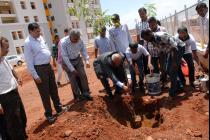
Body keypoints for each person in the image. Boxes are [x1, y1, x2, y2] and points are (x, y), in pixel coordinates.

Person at [24, 23, 65, 123]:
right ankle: (49, 114)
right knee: (45, 92)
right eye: (37, 31)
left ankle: (58, 107)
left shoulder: (41, 38)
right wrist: (35, 75)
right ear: (30, 31)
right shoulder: (28, 42)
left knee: (53, 88)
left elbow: (45, 50)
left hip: (48, 66)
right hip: (39, 69)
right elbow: (29, 61)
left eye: (39, 31)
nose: (39, 33)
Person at [141, 29, 185, 98]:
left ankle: (172, 92)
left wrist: (174, 62)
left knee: (172, 70)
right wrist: (162, 66)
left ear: (150, 34)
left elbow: (175, 47)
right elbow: (161, 52)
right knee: (167, 70)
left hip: (178, 48)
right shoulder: (152, 41)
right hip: (170, 50)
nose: (146, 40)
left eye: (146, 38)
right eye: (144, 39)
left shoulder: (161, 36)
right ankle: (179, 86)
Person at [0, 36, 27, 139]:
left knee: (22, 118)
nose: (8, 50)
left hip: (14, 93)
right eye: (6, 48)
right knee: (13, 124)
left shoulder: (4, 59)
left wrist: (18, 77)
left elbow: (12, 70)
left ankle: (22, 136)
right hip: (5, 97)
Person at [61, 29, 93, 101]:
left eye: (77, 39)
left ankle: (86, 92)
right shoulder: (64, 42)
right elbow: (65, 57)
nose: (76, 41)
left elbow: (83, 50)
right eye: (75, 39)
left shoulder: (80, 40)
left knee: (83, 75)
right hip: (67, 61)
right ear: (70, 36)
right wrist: (72, 69)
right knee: (73, 79)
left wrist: (87, 61)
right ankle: (78, 95)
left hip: (77, 58)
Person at [148, 17, 168, 88]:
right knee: (155, 69)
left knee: (163, 68)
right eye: (150, 25)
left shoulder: (162, 29)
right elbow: (146, 42)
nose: (151, 27)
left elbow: (166, 40)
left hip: (162, 52)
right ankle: (158, 83)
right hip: (152, 53)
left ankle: (165, 81)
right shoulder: (149, 31)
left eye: (153, 25)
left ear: (156, 23)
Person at [136, 7, 150, 76]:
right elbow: (138, 36)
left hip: (151, 42)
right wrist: (138, 46)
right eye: (140, 14)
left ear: (146, 13)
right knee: (145, 61)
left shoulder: (150, 21)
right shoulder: (138, 24)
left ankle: (156, 77)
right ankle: (147, 77)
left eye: (143, 14)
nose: (141, 15)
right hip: (142, 44)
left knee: (153, 60)